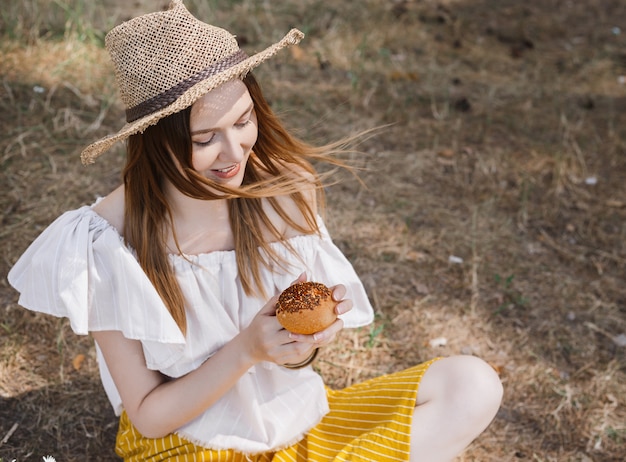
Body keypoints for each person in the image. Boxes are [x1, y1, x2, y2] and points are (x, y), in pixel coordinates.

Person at [7, 1, 503, 461]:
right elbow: (149, 416)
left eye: (244, 121)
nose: (235, 151)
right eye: (205, 139)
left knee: (472, 384)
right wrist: (246, 350)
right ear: (156, 143)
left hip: (298, 427)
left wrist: (298, 346)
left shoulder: (285, 195)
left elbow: (290, 365)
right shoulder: (103, 243)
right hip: (187, 444)